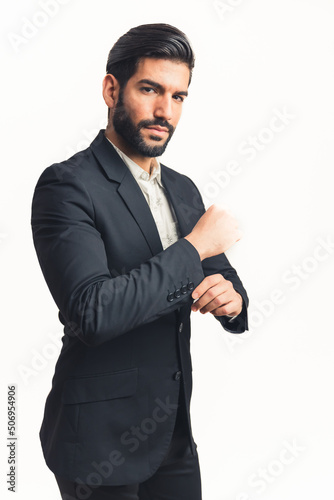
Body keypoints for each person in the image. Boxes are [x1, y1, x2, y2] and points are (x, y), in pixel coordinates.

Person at [31, 23, 249, 500]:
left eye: (178, 96)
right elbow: (93, 311)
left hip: (172, 435)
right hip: (97, 442)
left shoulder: (183, 187)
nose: (163, 111)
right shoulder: (66, 187)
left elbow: (219, 277)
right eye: (150, 89)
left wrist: (232, 300)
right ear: (112, 89)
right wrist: (193, 249)